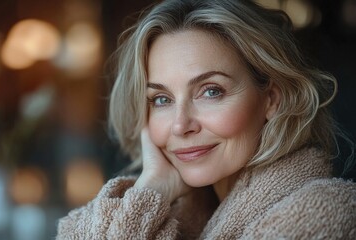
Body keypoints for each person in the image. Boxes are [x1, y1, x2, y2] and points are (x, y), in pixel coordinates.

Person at [57, 0, 356, 239]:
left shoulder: (322, 210)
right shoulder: (167, 213)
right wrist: (149, 190)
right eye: (162, 99)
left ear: (271, 99)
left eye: (210, 91)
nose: (180, 125)